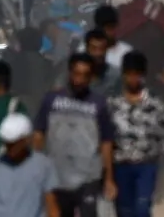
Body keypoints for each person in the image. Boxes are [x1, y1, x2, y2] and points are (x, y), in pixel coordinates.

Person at [34, 54, 114, 217]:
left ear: (91, 77)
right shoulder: (51, 100)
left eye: (85, 75)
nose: (80, 80)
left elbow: (106, 142)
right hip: (57, 176)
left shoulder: (99, 104)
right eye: (76, 74)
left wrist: (109, 178)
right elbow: (38, 134)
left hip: (89, 177)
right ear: (69, 73)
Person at [110, 52, 164, 217]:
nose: (133, 79)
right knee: (125, 211)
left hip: (146, 164)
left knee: (142, 209)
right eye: (129, 74)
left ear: (143, 75)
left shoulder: (155, 102)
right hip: (121, 164)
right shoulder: (113, 103)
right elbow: (106, 137)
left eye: (137, 75)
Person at [0, 114, 59, 217]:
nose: (9, 146)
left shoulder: (44, 165)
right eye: (6, 142)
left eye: (14, 143)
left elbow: (52, 206)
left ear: (26, 140)